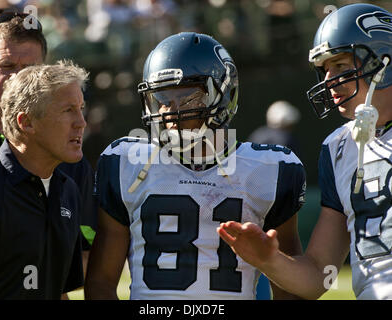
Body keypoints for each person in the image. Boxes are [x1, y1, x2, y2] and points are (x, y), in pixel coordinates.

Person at [85, 32, 306, 300]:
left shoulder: (270, 170)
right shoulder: (125, 163)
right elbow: (100, 284)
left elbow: (291, 289)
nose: (169, 112)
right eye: (163, 98)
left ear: (224, 95)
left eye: (186, 97)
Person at [218, 3, 392, 300]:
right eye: (324, 69)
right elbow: (318, 277)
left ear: (382, 63)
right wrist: (268, 260)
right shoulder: (339, 147)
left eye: (340, 65)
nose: (328, 80)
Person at [0, 11, 97, 275]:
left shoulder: (70, 160)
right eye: (6, 66)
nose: (17, 78)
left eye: (29, 70)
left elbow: (79, 259)